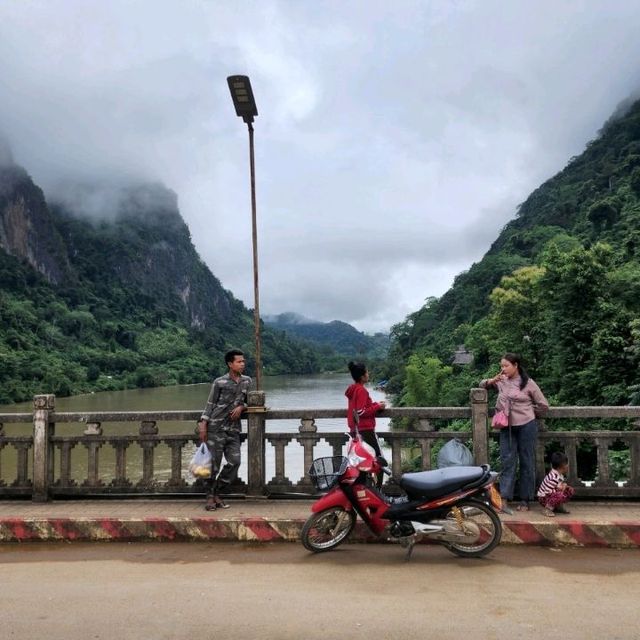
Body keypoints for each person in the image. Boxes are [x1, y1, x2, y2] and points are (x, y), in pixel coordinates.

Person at [480, 352, 549, 514]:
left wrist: (529, 410)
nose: (503, 369)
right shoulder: (501, 381)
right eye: (501, 366)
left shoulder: (528, 383)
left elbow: (544, 405)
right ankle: (504, 499)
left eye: (506, 366)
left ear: (516, 365)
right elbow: (481, 385)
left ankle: (525, 500)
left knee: (527, 462)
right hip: (506, 427)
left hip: (526, 426)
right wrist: (492, 380)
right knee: (507, 461)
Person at [197, 349, 252, 511]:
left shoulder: (247, 381)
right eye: (239, 361)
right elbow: (210, 404)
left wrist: (242, 407)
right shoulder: (219, 382)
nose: (243, 364)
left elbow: (252, 401)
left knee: (235, 462)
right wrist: (203, 424)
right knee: (213, 465)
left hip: (233, 429)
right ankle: (210, 498)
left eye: (243, 361)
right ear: (230, 364)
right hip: (216, 427)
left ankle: (217, 492)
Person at [345, 361, 386, 488]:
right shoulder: (361, 390)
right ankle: (378, 491)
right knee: (379, 461)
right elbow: (361, 411)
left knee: (362, 461)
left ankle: (363, 489)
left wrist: (375, 405)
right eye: (367, 372)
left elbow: (361, 408)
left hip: (356, 429)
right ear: (362, 376)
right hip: (365, 430)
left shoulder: (354, 389)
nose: (369, 374)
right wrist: (378, 406)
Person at [537, 451, 574, 517]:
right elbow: (548, 492)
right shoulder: (553, 478)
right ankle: (547, 509)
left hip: (551, 495)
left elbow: (557, 486)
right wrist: (560, 489)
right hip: (543, 498)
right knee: (559, 495)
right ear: (562, 466)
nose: (568, 465)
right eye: (567, 464)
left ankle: (558, 506)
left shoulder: (559, 475)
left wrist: (563, 487)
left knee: (570, 490)